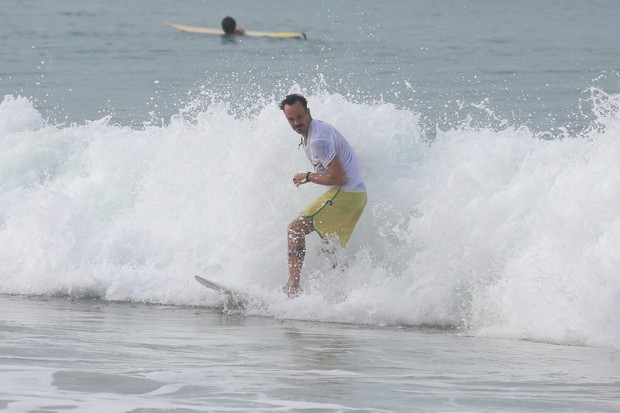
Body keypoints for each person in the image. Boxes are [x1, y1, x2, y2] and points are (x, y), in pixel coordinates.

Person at [279, 94, 367, 298]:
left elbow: (338, 177)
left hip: (346, 193)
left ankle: (292, 290)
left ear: (308, 113)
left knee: (295, 230)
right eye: (290, 120)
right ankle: (344, 295)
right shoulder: (317, 129)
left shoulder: (318, 140)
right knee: (329, 250)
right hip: (358, 196)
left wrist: (308, 176)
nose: (296, 123)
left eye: (299, 117)